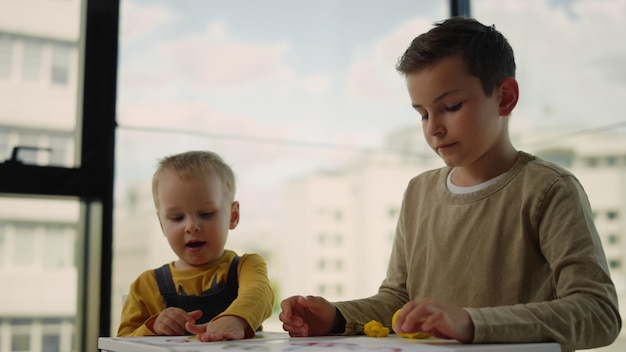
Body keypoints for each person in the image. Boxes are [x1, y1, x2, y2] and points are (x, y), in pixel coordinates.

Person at [279, 17, 621, 352]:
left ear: (505, 97)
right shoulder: (418, 192)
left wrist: (471, 323)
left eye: (451, 107)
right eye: (423, 114)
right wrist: (339, 317)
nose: (433, 129)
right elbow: (398, 301)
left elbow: (598, 314)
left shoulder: (549, 189)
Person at [118, 150, 274, 341]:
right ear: (162, 224)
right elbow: (123, 342)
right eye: (177, 218)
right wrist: (153, 328)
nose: (191, 227)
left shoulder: (247, 267)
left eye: (206, 213)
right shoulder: (146, 286)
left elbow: (259, 295)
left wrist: (234, 319)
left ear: (233, 216)